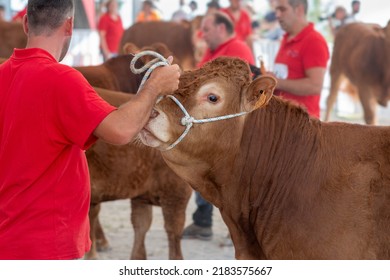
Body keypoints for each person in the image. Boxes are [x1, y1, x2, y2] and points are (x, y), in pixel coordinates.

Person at [0, 0, 180, 260]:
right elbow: (121, 130)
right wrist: (154, 86)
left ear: (26, 23)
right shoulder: (62, 80)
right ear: (70, 25)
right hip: (46, 244)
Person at [182, 11, 254, 241]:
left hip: (228, 131)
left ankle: (240, 228)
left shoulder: (238, 49)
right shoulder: (213, 51)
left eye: (207, 28)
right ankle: (204, 220)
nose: (203, 34)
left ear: (222, 29)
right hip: (211, 127)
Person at [267, 0, 329, 119]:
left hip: (302, 124)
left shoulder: (314, 41)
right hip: (282, 119)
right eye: (276, 10)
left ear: (299, 10)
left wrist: (277, 82)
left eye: (282, 9)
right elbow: (287, 74)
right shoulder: (286, 38)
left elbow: (315, 86)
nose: (277, 15)